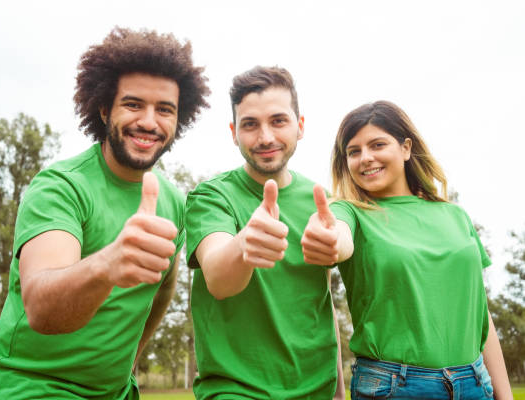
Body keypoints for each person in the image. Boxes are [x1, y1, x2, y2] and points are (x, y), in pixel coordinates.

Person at [0, 26, 210, 400]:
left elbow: (164, 284)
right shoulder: (59, 187)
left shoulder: (171, 200)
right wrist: (107, 265)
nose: (149, 121)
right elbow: (41, 308)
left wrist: (130, 358)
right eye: (133, 104)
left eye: (165, 109)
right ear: (104, 108)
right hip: (31, 389)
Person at [302, 100, 512, 399]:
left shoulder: (455, 216)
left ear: (406, 148)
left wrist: (504, 395)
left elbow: (480, 313)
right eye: (354, 151)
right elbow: (338, 233)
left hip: (475, 383)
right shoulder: (351, 212)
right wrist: (329, 239)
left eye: (377, 145)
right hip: (394, 387)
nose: (365, 158)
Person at [185, 66, 344, 399]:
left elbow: (321, 301)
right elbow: (218, 278)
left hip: (319, 390)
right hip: (236, 390)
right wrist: (245, 244)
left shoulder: (321, 202)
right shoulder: (211, 197)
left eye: (278, 121)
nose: (266, 137)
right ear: (233, 132)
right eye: (250, 125)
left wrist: (339, 391)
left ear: (300, 126)